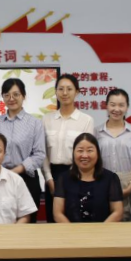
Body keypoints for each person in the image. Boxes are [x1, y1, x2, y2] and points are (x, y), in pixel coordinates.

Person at [0, 78, 45, 223]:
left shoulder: (35, 123)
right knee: (0, 222)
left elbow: (39, 155)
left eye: (16, 94)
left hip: (26, 179)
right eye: (7, 95)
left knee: (27, 225)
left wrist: (16, 171)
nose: (11, 98)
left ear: (23, 96)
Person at [42, 74, 94, 222]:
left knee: (75, 220)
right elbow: (42, 152)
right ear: (56, 91)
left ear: (77, 92)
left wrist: (70, 179)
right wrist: (49, 179)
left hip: (77, 176)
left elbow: (86, 153)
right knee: (53, 221)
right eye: (61, 89)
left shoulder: (86, 120)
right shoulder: (46, 119)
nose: (65, 93)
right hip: (52, 176)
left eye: (69, 89)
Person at [94, 89, 131, 222]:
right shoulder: (96, 132)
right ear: (106, 106)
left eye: (121, 105)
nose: (116, 109)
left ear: (127, 107)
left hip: (128, 182)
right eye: (112, 104)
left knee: (130, 222)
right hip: (103, 183)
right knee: (105, 221)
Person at [53, 133, 123, 223]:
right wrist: (72, 230)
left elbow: (117, 212)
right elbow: (57, 213)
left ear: (97, 153)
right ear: (73, 153)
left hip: (103, 230)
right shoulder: (63, 178)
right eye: (80, 150)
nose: (85, 155)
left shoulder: (110, 178)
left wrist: (102, 230)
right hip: (71, 231)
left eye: (90, 150)